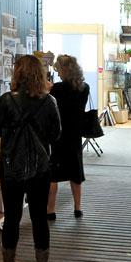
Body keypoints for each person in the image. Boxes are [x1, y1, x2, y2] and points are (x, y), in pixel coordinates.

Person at [0, 55, 62, 262]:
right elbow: (55, 134)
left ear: (18, 73)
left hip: (10, 168)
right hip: (40, 168)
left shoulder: (6, 100)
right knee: (39, 217)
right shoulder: (49, 102)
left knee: (12, 217)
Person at [47, 54, 90, 221]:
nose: (57, 74)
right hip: (75, 134)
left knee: (54, 173)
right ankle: (77, 208)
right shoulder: (84, 88)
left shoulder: (56, 89)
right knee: (75, 171)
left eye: (58, 70)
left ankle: (50, 210)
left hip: (58, 134)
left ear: (64, 70)